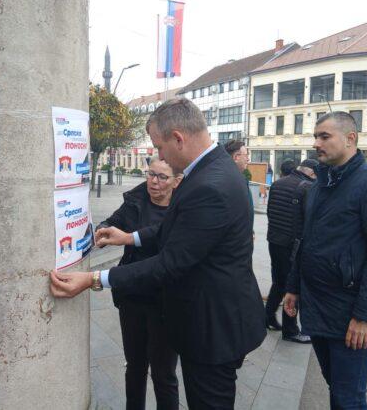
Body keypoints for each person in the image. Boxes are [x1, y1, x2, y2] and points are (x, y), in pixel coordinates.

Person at [50, 98, 266, 409]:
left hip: (212, 328)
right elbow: (177, 230)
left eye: (159, 147)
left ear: (178, 138)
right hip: (215, 317)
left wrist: (94, 279)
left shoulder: (209, 185)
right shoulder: (215, 169)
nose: (160, 156)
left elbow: (169, 263)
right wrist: (129, 237)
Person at [283, 111, 367, 409]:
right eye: (315, 136)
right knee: (337, 389)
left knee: (349, 398)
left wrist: (365, 316)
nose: (316, 143)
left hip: (351, 314)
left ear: (350, 138)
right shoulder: (320, 184)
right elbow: (306, 240)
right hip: (319, 308)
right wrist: (293, 286)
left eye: (324, 136)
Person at [96, 157, 181, 410]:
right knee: (134, 366)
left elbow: (165, 240)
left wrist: (127, 238)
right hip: (132, 296)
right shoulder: (136, 201)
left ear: (177, 181)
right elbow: (113, 221)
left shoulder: (183, 209)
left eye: (162, 177)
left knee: (163, 374)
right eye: (151, 174)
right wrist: (103, 229)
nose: (154, 182)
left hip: (165, 302)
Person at [264, 159, 318, 344]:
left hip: (274, 240)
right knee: (293, 286)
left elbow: (270, 212)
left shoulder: (277, 184)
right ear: (312, 173)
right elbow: (309, 219)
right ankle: (291, 330)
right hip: (293, 245)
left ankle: (268, 316)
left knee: (279, 282)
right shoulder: (307, 187)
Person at [223, 139, 253, 230]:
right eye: (246, 155)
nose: (248, 159)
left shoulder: (239, 179)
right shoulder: (228, 182)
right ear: (236, 157)